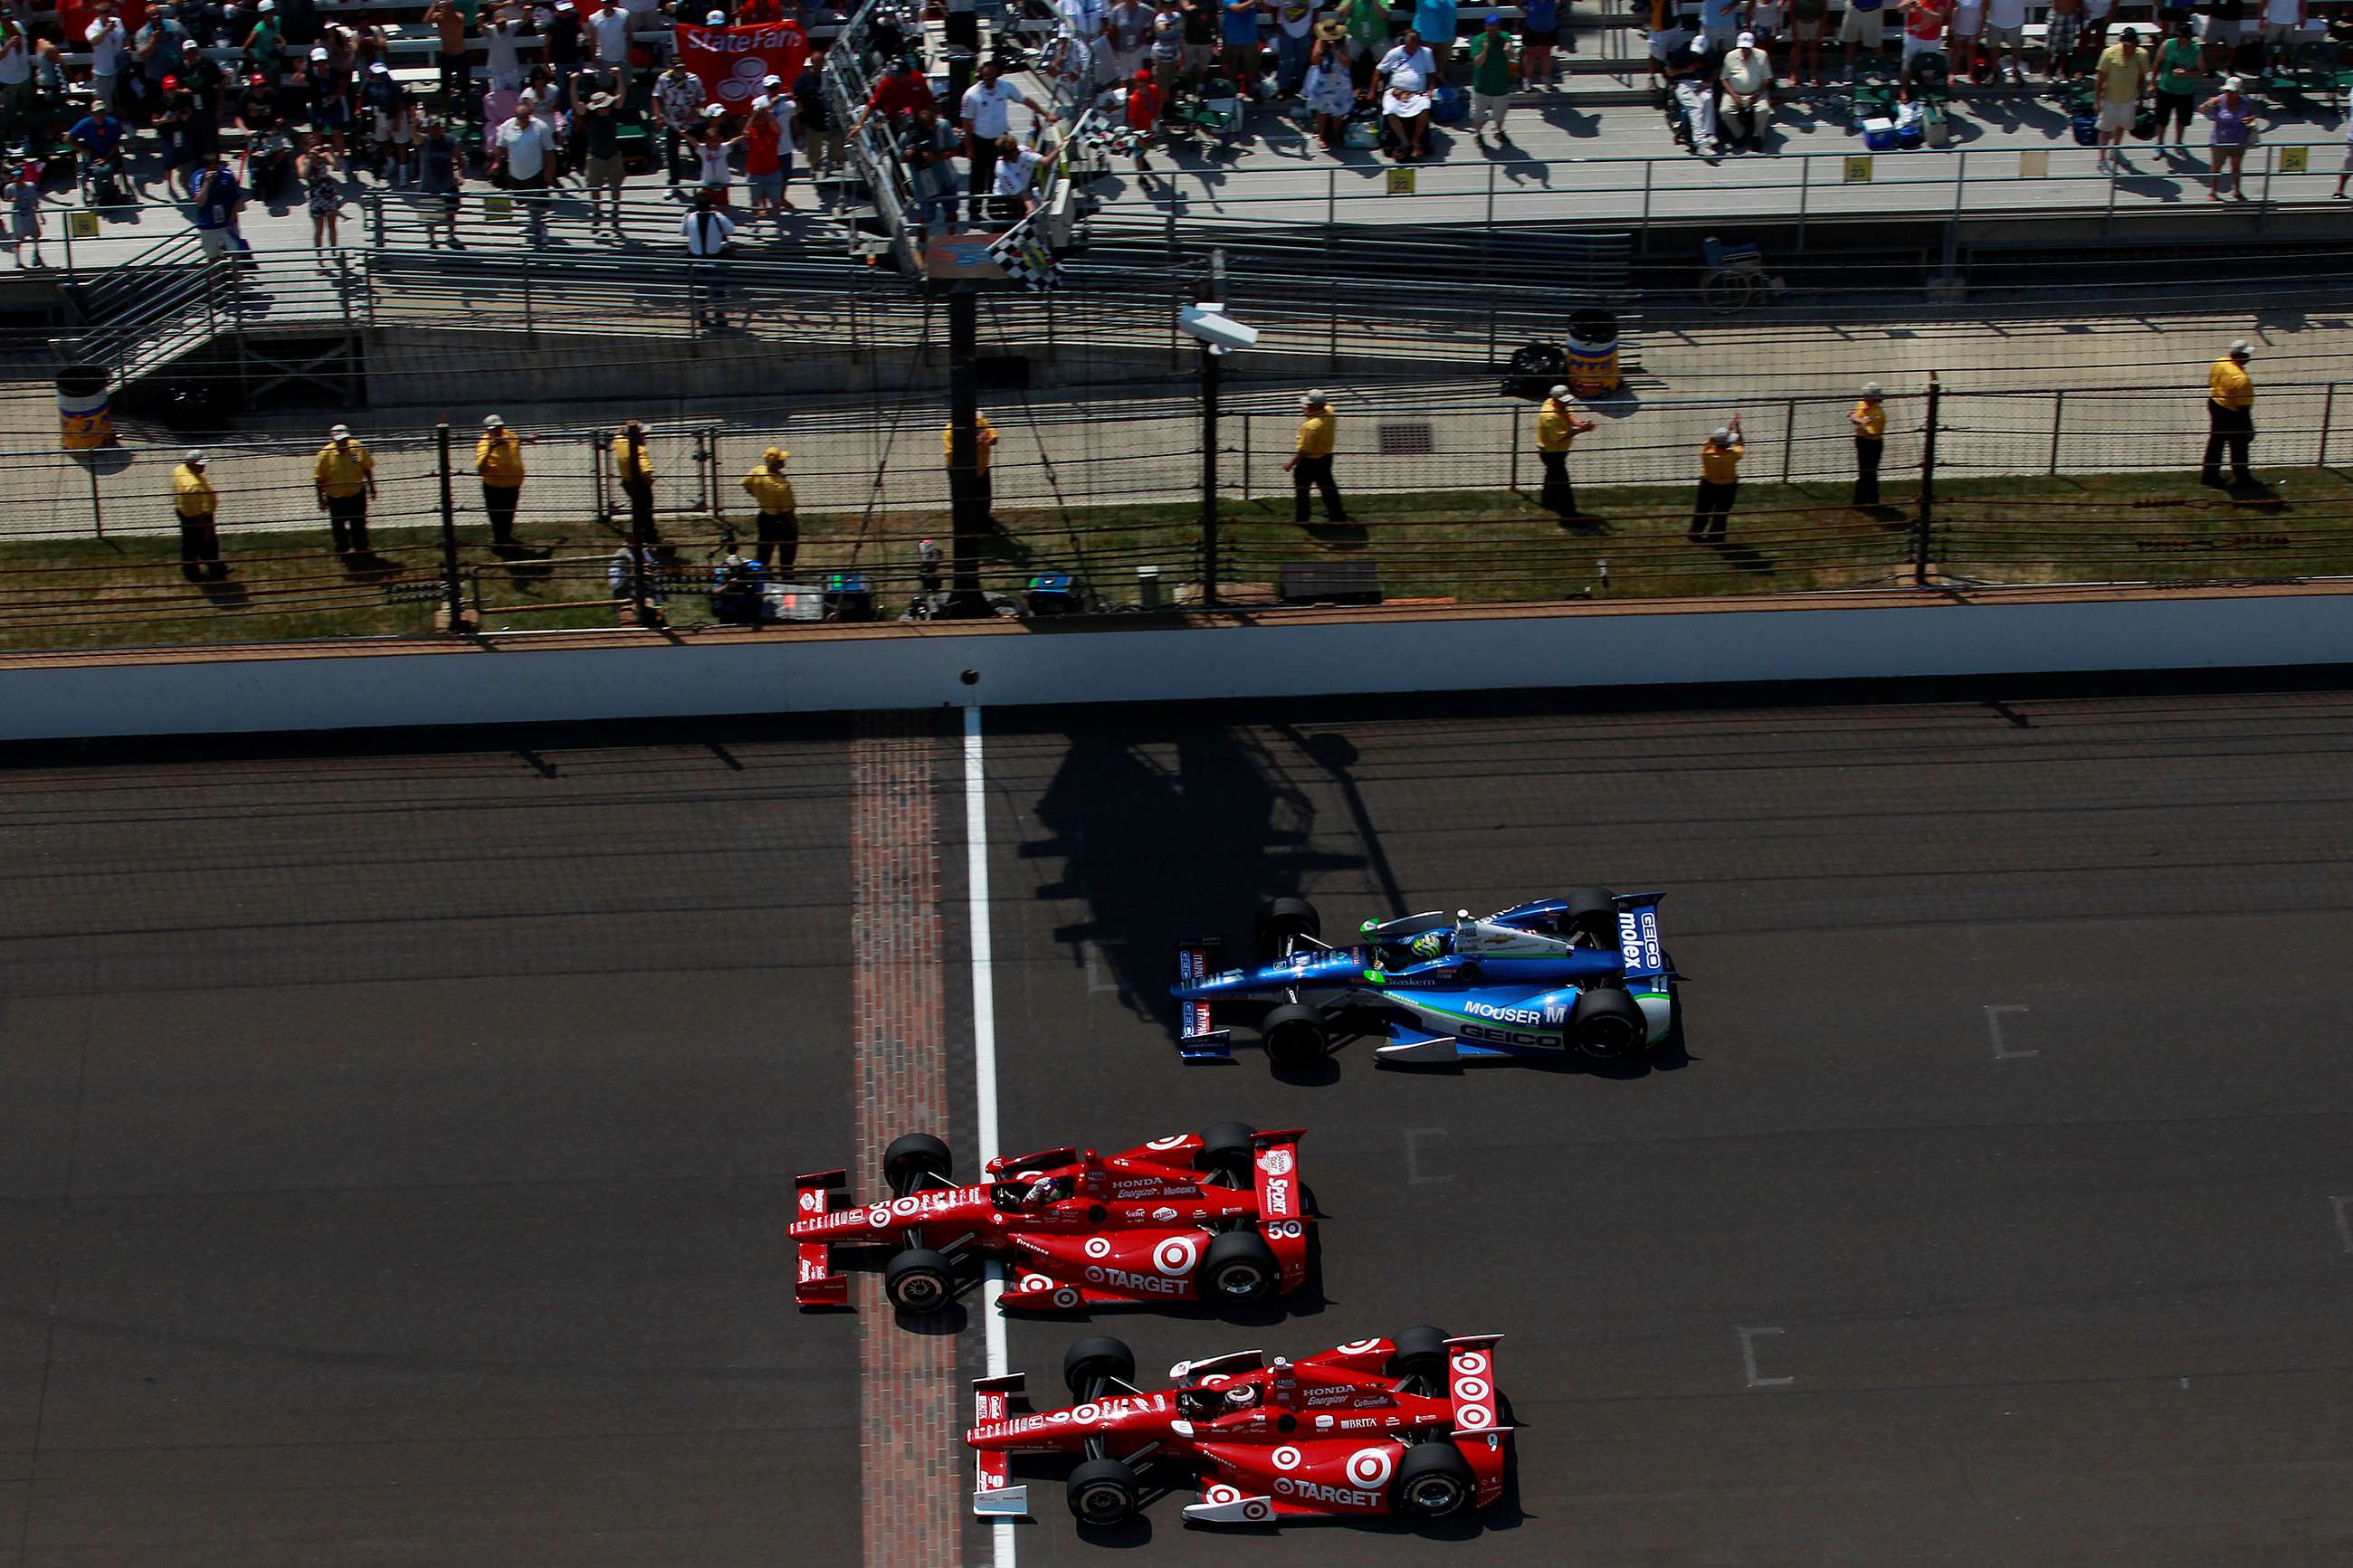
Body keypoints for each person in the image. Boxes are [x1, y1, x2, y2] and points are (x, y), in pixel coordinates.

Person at [959, 60, 1030, 223]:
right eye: (985, 78)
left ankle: (995, 209)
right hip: (980, 141)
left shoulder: (1005, 87)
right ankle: (974, 211)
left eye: (992, 78)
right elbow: (966, 123)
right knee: (977, 178)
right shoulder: (971, 95)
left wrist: (1046, 113)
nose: (989, 82)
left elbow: (1024, 99)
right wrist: (969, 147)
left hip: (1000, 142)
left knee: (997, 176)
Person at [493, 93, 557, 242]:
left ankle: (540, 229)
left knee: (537, 203)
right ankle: (533, 224)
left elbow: (550, 151)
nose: (522, 120)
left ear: (529, 115)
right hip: (516, 172)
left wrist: (550, 171)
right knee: (525, 201)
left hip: (536, 172)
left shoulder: (541, 127)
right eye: (519, 117)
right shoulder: (507, 126)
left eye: (525, 117)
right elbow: (500, 146)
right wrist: (496, 163)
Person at [1285, 388, 1348, 524]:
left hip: (1309, 463)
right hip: (1326, 458)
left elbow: (1303, 451)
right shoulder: (1330, 412)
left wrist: (1290, 464)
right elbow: (1327, 407)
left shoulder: (1310, 427)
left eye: (1307, 405)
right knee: (1328, 488)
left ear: (1314, 406)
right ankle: (1337, 515)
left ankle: (1302, 518)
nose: (1304, 407)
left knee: (1302, 490)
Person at [1535, 385, 1597, 518]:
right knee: (1563, 484)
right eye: (1563, 400)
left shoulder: (1558, 404)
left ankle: (1548, 502)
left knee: (1552, 478)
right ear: (1554, 399)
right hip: (1552, 453)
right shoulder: (1549, 416)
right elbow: (1559, 436)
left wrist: (1579, 423)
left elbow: (1568, 413)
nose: (1566, 402)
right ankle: (1569, 514)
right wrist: (1582, 429)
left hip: (1557, 451)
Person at [2091, 26, 2148, 172]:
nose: (2125, 46)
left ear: (2135, 43)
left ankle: (2115, 151)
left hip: (2129, 99)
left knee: (2121, 126)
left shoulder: (2142, 55)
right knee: (2105, 130)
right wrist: (2097, 101)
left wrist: (2142, 97)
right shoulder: (2109, 53)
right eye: (2124, 43)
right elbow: (2100, 79)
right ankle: (2102, 160)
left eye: (2129, 44)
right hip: (2110, 99)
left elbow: (2142, 77)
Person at [314, 422, 376, 556]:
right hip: (336, 497)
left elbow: (367, 468)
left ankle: (362, 548)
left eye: (345, 440)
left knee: (358, 522)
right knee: (338, 525)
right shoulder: (325, 454)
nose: (343, 443)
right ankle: (342, 550)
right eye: (340, 441)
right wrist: (321, 500)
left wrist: (372, 488)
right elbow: (319, 478)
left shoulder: (357, 448)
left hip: (356, 493)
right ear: (333, 440)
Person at [2202, 338, 2256, 489]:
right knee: (2239, 446)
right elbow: (2244, 410)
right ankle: (2243, 478)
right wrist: (2249, 429)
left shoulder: (2220, 363)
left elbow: (2212, 382)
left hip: (2215, 403)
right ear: (2240, 356)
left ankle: (2209, 476)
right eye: (2246, 354)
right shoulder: (2242, 380)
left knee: (2216, 443)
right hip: (2232, 412)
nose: (2249, 357)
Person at [1377, 27, 1436, 160]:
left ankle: (1415, 141)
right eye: (1410, 43)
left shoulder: (1426, 53)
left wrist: (1431, 89)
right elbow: (1379, 70)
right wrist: (1371, 90)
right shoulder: (1394, 53)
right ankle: (1404, 142)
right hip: (1396, 91)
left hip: (1417, 93)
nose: (1412, 46)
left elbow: (1432, 73)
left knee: (1425, 107)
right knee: (1390, 110)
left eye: (1415, 43)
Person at [172, 451, 229, 582]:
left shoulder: (179, 470)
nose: (204, 467)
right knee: (208, 543)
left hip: (183, 510)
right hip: (198, 517)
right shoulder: (194, 486)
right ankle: (213, 570)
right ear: (191, 465)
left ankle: (194, 571)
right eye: (200, 465)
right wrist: (206, 527)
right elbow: (199, 512)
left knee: (189, 545)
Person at [741, 446, 800, 571]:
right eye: (781, 460)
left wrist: (756, 494)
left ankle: (763, 573)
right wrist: (793, 525)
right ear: (777, 464)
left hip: (765, 516)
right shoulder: (781, 485)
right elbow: (788, 509)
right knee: (787, 549)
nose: (784, 462)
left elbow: (745, 483)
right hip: (782, 519)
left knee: (764, 548)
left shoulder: (758, 472)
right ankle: (787, 574)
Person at [2200, 77, 2256, 200]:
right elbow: (2202, 109)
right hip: (2220, 141)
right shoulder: (2219, 100)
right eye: (2228, 91)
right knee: (2216, 167)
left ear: (2239, 92)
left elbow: (2252, 114)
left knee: (2236, 166)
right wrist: (2207, 105)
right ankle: (2213, 192)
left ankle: (2237, 191)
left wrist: (2251, 119)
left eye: (2233, 91)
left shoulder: (2245, 102)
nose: (2229, 94)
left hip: (2239, 140)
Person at [1689, 416, 1744, 539]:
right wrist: (1737, 429)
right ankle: (1716, 535)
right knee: (1722, 512)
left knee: (1702, 509)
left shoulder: (1706, 453)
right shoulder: (1733, 455)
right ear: (1728, 444)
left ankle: (1695, 533)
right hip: (1728, 486)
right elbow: (1741, 444)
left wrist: (1724, 434)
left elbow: (1709, 442)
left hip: (1708, 484)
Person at [477, 413, 528, 546]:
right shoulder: (484, 444)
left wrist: (527, 439)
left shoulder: (509, 436)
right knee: (497, 516)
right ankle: (500, 541)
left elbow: (517, 439)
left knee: (509, 514)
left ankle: (505, 538)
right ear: (488, 430)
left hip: (513, 485)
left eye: (500, 427)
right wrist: (490, 449)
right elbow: (481, 469)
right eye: (494, 428)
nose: (498, 430)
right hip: (495, 487)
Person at [2150, 19, 2201, 151]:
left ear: (2189, 37)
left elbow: (2202, 71)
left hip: (2185, 91)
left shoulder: (2195, 50)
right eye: (2177, 35)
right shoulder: (2168, 44)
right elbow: (2156, 64)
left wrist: (2187, 73)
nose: (2179, 39)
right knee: (2162, 119)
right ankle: (2160, 143)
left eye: (2182, 36)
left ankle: (2178, 142)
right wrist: (2152, 83)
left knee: (2182, 120)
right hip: (2166, 88)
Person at [654, 59, 707, 184]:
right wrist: (658, 115)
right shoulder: (663, 79)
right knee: (671, 153)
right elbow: (656, 96)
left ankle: (705, 177)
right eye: (676, 68)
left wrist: (693, 112)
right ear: (671, 67)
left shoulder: (694, 80)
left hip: (691, 123)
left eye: (681, 67)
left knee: (697, 151)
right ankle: (674, 182)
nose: (680, 70)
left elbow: (703, 99)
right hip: (673, 124)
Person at [579, 90, 627, 225]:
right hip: (595, 157)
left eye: (607, 106)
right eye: (602, 107)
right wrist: (573, 85)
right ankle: (597, 211)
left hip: (613, 155)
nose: (606, 109)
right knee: (594, 187)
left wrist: (618, 77)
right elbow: (577, 106)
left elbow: (621, 96)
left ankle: (615, 211)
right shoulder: (589, 116)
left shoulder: (614, 113)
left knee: (616, 186)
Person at [943, 410, 1000, 521]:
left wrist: (993, 437)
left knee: (984, 499)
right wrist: (976, 441)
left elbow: (990, 430)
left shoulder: (980, 421)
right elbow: (953, 452)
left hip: (982, 468)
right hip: (961, 472)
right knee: (964, 500)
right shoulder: (950, 431)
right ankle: (965, 524)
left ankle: (984, 522)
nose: (976, 421)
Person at [1666, 33, 1718, 157]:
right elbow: (1669, 72)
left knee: (1708, 99)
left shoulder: (1710, 53)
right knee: (1696, 107)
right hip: (1684, 83)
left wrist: (1708, 82)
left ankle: (1709, 134)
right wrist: (1685, 70)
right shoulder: (1682, 51)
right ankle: (1700, 143)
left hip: (1701, 83)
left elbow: (1716, 70)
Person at [744, 93, 793, 218]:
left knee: (775, 202)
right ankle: (754, 229)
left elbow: (778, 130)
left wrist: (767, 114)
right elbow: (745, 132)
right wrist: (754, 115)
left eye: (762, 120)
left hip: (773, 173)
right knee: (755, 202)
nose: (760, 123)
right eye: (757, 121)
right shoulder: (751, 132)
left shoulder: (772, 131)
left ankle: (777, 221)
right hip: (755, 173)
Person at [1719, 31, 1770, 149]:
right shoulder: (1730, 56)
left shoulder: (1762, 55)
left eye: (1747, 48)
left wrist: (1757, 95)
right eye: (1742, 47)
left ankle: (1758, 135)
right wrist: (1734, 95)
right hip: (1734, 93)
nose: (1745, 50)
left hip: (1757, 93)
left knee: (1764, 109)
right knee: (1725, 111)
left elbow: (1766, 79)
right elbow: (1724, 79)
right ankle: (1739, 133)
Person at [1467, 14, 1514, 144]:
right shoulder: (1479, 40)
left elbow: (1512, 59)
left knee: (1500, 115)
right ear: (1485, 27)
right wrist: (1485, 50)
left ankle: (1498, 132)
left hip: (1500, 85)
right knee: (1478, 116)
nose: (1492, 31)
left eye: (1494, 28)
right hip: (1482, 86)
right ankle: (1478, 134)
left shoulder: (1505, 37)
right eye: (1489, 28)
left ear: (1499, 28)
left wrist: (1508, 51)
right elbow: (1478, 63)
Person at [188, 151, 243, 261]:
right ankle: (215, 277)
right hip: (209, 225)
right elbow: (200, 201)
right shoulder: (198, 177)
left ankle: (236, 276)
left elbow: (237, 199)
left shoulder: (227, 175)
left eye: (215, 166)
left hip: (228, 224)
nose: (213, 169)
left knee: (236, 257)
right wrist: (206, 183)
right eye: (210, 167)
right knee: (213, 259)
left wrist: (231, 221)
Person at [1304, 30, 1353, 149]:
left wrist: (1336, 52)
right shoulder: (1320, 42)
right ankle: (1321, 136)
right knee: (1322, 110)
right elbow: (1314, 60)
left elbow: (1348, 63)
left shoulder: (1343, 44)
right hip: (1323, 80)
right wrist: (1323, 51)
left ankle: (1336, 134)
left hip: (1339, 79)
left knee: (1339, 110)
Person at [300, 133, 341, 261]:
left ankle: (334, 252)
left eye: (316, 144)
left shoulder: (325, 155)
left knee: (332, 226)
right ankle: (319, 259)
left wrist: (332, 153)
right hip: (316, 196)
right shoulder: (302, 159)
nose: (315, 147)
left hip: (328, 193)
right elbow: (303, 175)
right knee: (319, 230)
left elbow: (337, 166)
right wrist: (310, 160)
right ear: (305, 146)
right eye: (311, 145)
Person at [615, 419, 659, 540]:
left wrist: (621, 432)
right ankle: (649, 537)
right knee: (646, 511)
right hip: (640, 484)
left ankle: (637, 533)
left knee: (637, 509)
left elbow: (617, 434)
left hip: (627, 482)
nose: (645, 437)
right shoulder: (640, 450)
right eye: (643, 434)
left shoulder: (619, 443)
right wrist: (650, 480)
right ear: (637, 435)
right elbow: (646, 472)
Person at [87, 5, 129, 117]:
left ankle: (124, 124)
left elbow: (124, 37)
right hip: (103, 72)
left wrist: (127, 48)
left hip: (119, 68)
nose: (107, 14)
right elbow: (94, 41)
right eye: (103, 12)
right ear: (98, 13)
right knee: (104, 104)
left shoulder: (118, 22)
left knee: (121, 99)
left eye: (108, 11)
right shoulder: (92, 28)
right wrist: (106, 30)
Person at [1848, 382, 1886, 505]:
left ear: (1875, 398)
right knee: (1863, 471)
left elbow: (1870, 431)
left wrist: (1856, 419)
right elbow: (1857, 417)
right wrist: (1856, 418)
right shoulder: (1862, 404)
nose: (1864, 397)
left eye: (1867, 396)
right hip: (1861, 441)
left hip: (1872, 444)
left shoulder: (1878, 414)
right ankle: (1865, 500)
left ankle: (1864, 501)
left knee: (1869, 472)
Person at [1122, 66, 1161, 167]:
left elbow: (1158, 101)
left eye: (1143, 85)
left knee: (1146, 148)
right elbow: (1132, 119)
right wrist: (1136, 135)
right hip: (1139, 129)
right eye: (1139, 86)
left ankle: (1142, 161)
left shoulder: (1153, 90)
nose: (1141, 88)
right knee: (1138, 152)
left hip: (1150, 125)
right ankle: (1141, 176)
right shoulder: (1134, 101)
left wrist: (1157, 115)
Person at [1981, 0, 2025, 81]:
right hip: (1994, 21)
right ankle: (1994, 70)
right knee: (1993, 46)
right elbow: (1985, 3)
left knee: (2016, 46)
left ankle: (2015, 70)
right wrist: (1983, 20)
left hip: (2016, 21)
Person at [5, 163, 39, 268]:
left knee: (36, 235)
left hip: (30, 214)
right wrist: (13, 199)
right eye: (15, 178)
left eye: (19, 177)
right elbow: (6, 198)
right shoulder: (9, 188)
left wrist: (41, 214)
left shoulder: (30, 186)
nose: (18, 180)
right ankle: (18, 261)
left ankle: (36, 255)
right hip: (18, 216)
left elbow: (35, 200)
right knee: (18, 238)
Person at [1840, 0, 1887, 73]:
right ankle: (1848, 69)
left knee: (1876, 44)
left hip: (1874, 11)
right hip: (1853, 8)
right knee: (1850, 42)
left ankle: (1882, 70)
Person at [1521, 0, 1559, 88]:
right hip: (1532, 27)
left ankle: (1546, 78)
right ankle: (1527, 79)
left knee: (1546, 53)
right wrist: (1524, 9)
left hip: (1550, 27)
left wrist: (1556, 6)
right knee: (1530, 54)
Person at [1785, 0, 1824, 82]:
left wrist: (1821, 27)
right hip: (1798, 22)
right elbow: (1791, 10)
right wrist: (1794, 27)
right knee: (1797, 48)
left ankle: (1813, 74)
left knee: (1813, 49)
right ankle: (1794, 74)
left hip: (1815, 22)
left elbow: (1824, 10)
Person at [2261, 0, 2307, 70]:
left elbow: (2302, 2)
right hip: (2273, 19)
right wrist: (2262, 18)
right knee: (2269, 45)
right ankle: (2268, 68)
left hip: (2291, 20)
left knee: (2287, 46)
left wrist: (2303, 17)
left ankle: (2281, 66)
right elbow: (2264, 1)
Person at [1414, 0, 1460, 69]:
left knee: (1443, 59)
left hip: (1447, 34)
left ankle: (1440, 74)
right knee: (1426, 63)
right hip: (1426, 36)